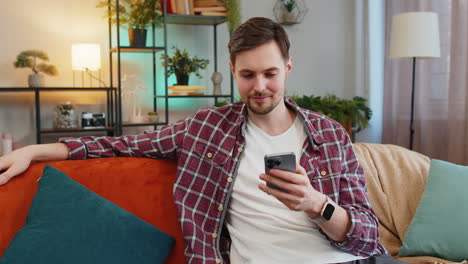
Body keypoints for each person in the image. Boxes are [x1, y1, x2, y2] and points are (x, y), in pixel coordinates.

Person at [0, 17, 405, 264]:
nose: (260, 87)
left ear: (288, 67)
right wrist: (35, 149)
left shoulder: (329, 134)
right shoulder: (207, 129)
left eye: (270, 73)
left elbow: (368, 235)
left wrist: (316, 204)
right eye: (248, 75)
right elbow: (119, 145)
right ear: (232, 70)